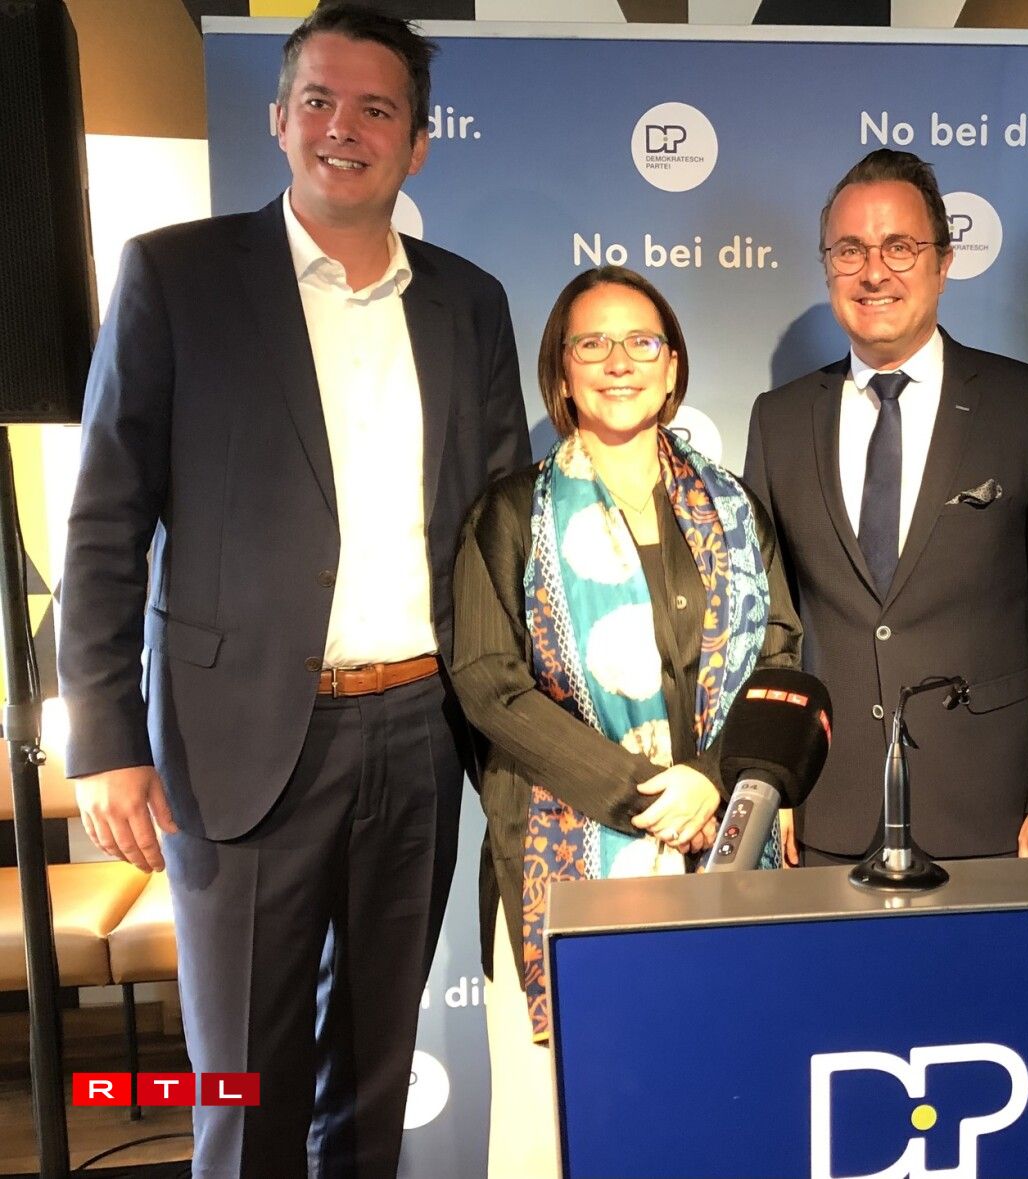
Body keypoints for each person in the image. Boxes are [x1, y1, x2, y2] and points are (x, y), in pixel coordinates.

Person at [55, 5, 531, 1175]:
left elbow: (499, 529)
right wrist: (106, 740)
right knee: (241, 1081)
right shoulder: (177, 277)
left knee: (372, 1078)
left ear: (418, 143)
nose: (343, 128)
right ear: (278, 119)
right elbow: (107, 519)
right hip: (236, 740)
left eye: (376, 109)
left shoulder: (469, 303)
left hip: (417, 734)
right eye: (319, 100)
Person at [451, 265, 801, 1175]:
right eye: (592, 344)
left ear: (672, 365)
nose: (618, 362)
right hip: (561, 860)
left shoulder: (732, 507)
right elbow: (490, 687)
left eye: (641, 341)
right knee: (564, 1125)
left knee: (714, 1105)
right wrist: (647, 794)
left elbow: (779, 659)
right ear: (561, 372)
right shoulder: (510, 513)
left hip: (722, 847)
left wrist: (712, 782)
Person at [744, 148, 1028, 866]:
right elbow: (770, 622)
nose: (873, 271)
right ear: (827, 267)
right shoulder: (778, 419)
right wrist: (775, 779)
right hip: (827, 813)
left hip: (997, 818)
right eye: (850, 250)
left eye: (899, 247)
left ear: (943, 264)